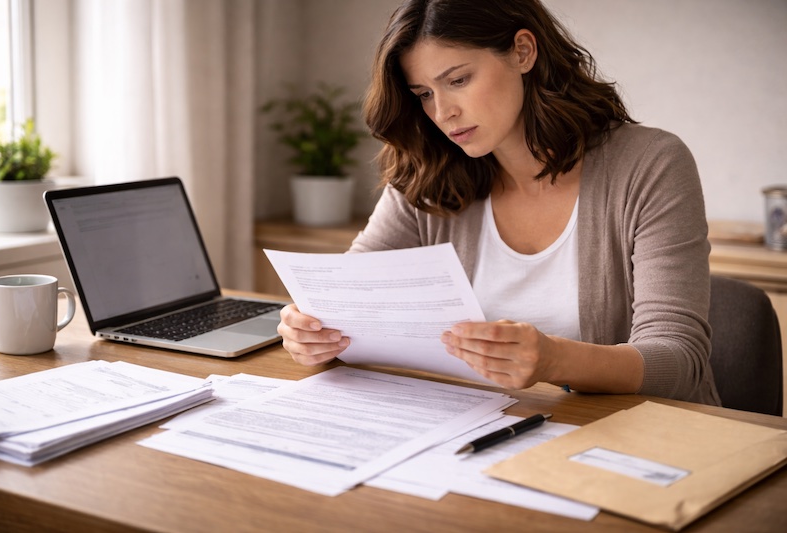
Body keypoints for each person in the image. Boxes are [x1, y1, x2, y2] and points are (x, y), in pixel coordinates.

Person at [277, 0, 721, 405]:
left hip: (630, 443)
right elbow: (347, 301)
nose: (442, 112)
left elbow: (678, 363)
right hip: (478, 431)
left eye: (458, 80)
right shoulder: (428, 174)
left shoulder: (650, 165)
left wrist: (552, 360)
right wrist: (313, 336)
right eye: (424, 94)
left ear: (523, 52)